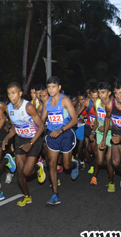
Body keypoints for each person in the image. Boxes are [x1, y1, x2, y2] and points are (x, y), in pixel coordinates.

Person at [3, 82, 45, 207]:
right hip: (20, 139)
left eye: (14, 93)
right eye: (9, 93)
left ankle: (38, 167)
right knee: (20, 173)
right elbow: (14, 128)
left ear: (20, 93)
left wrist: (31, 143)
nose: (11, 96)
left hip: (34, 138)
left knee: (27, 172)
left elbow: (41, 126)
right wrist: (6, 138)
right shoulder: (9, 108)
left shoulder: (28, 107)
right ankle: (27, 197)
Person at [41, 77, 79, 205]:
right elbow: (41, 120)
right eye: (49, 87)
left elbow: (74, 120)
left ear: (59, 87)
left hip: (66, 134)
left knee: (67, 166)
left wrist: (61, 130)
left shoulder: (65, 100)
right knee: (51, 163)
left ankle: (75, 165)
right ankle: (55, 194)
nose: (50, 89)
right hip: (52, 135)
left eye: (53, 87)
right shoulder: (46, 102)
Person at [93, 82, 114, 192]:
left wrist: (108, 128)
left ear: (109, 93)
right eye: (99, 92)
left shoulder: (113, 104)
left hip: (112, 133)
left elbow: (117, 123)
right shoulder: (97, 103)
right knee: (100, 161)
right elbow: (97, 119)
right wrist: (93, 131)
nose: (100, 95)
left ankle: (111, 183)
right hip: (100, 133)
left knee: (109, 160)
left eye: (103, 92)